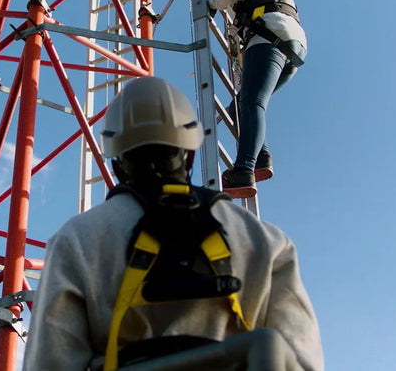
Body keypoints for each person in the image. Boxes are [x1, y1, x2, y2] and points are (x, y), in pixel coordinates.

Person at [23, 76, 323, 371]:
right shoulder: (265, 241)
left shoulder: (77, 240)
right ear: (190, 155)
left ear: (116, 161)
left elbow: (50, 362)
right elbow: (301, 360)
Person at [206, 0, 307, 198]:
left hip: (267, 36)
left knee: (251, 102)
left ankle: (244, 169)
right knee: (242, 105)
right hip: (292, 41)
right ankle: (261, 157)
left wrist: (210, 4)